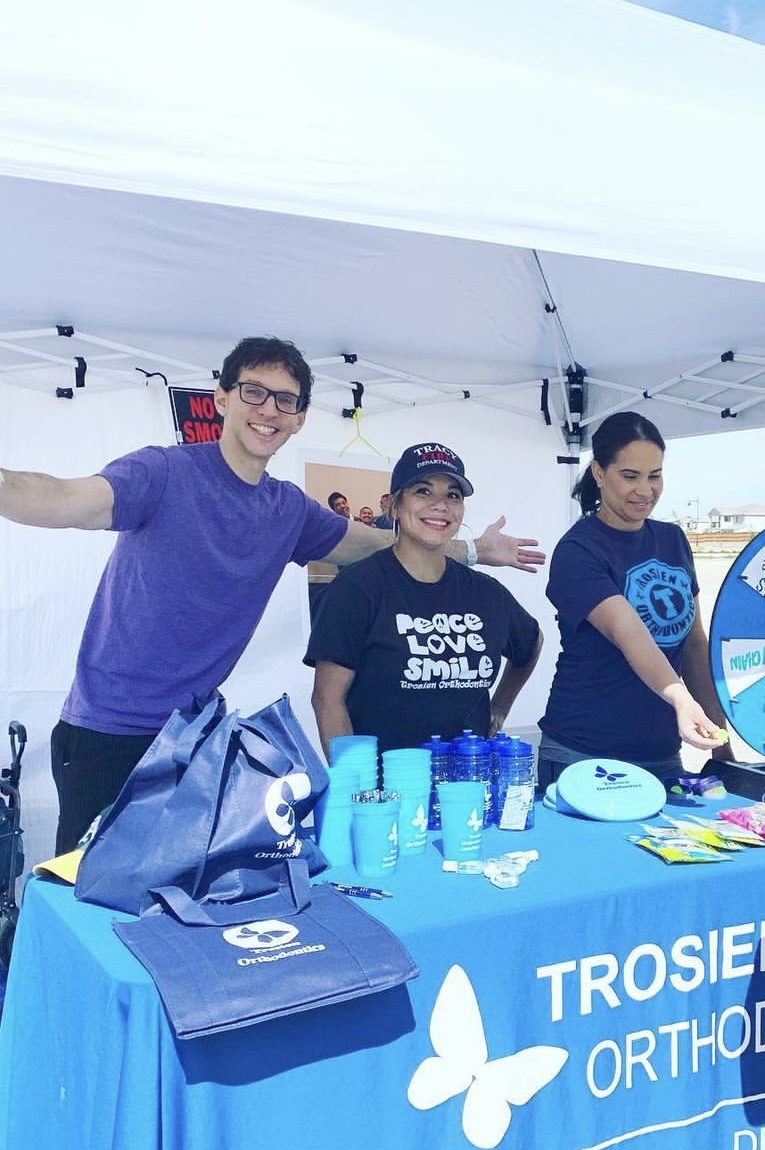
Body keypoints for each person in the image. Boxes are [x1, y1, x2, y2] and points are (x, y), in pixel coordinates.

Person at [0, 336, 545, 854]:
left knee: (173, 898)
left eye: (286, 400)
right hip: (109, 731)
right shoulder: (162, 472)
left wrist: (472, 551)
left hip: (195, 736)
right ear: (221, 398)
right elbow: (64, 497)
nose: (268, 409)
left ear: (300, 417)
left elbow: (385, 543)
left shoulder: (287, 510)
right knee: (85, 894)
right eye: (253, 391)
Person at [306, 443, 542, 754]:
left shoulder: (486, 592)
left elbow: (530, 642)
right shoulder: (357, 589)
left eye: (452, 495)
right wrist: (356, 790)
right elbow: (327, 699)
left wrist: (500, 706)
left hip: (467, 786)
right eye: (423, 491)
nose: (440, 505)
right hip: (388, 789)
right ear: (394, 505)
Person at [537, 410, 729, 788]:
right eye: (630, 476)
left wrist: (721, 747)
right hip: (583, 757)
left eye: (654, 475)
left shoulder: (672, 539)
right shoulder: (578, 550)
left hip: (662, 755)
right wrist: (679, 697)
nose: (645, 490)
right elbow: (629, 632)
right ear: (598, 473)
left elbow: (694, 644)